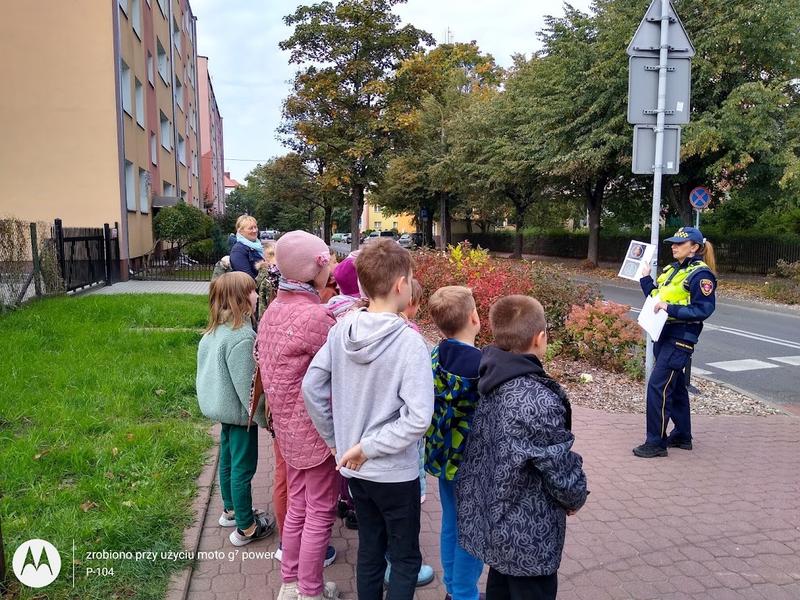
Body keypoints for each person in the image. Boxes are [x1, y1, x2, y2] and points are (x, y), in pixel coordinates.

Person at [302, 238, 434, 600]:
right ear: (401, 285)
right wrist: (366, 447)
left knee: (371, 550)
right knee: (405, 558)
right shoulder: (410, 343)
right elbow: (418, 418)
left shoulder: (341, 330)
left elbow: (312, 386)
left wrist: (338, 442)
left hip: (356, 471)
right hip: (394, 474)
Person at [457, 295, 588, 600]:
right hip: (528, 533)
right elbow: (556, 463)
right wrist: (575, 496)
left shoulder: (491, 377)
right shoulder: (536, 399)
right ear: (539, 338)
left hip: (496, 519)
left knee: (500, 587)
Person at [256, 230, 339, 600]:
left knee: (298, 509)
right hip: (316, 433)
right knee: (320, 511)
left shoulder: (274, 310)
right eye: (326, 261)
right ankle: (311, 591)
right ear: (313, 269)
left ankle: (290, 584)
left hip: (288, 430)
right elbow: (342, 355)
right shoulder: (314, 317)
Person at [196, 272, 277, 546]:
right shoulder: (241, 336)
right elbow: (249, 388)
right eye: (252, 291)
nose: (256, 295)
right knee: (243, 468)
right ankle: (246, 527)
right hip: (241, 416)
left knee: (228, 462)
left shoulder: (214, 331)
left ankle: (230, 510)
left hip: (223, 411)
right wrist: (265, 419)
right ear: (241, 298)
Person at [633, 226, 718, 458]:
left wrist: (670, 308)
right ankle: (682, 435)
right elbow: (657, 300)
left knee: (657, 387)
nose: (674, 246)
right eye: (673, 243)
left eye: (680, 243)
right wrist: (645, 279)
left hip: (680, 337)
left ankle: (656, 443)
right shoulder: (673, 270)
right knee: (676, 386)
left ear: (694, 248)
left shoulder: (701, 275)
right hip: (663, 333)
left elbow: (703, 309)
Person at [424, 286, 484, 600]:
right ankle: (464, 594)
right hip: (472, 462)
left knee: (451, 521)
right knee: (471, 529)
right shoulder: (483, 366)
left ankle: (453, 588)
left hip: (444, 457)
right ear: (474, 317)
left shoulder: (435, 354)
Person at [229, 215, 264, 280]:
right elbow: (247, 277)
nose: (254, 231)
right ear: (240, 231)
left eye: (255, 227)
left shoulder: (258, 246)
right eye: (250, 228)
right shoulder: (238, 250)